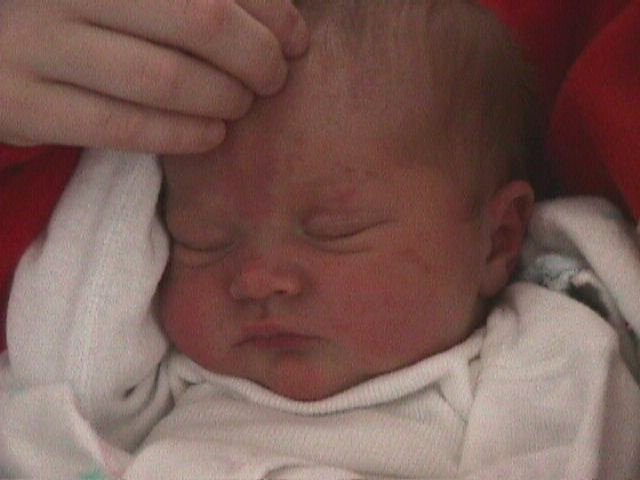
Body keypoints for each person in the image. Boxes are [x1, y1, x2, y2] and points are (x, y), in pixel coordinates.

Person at [2, 1, 639, 478]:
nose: (257, 279)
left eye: (336, 231)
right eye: (204, 239)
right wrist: (121, 152)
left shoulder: (534, 356)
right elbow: (63, 365)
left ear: (496, 240)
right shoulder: (164, 382)